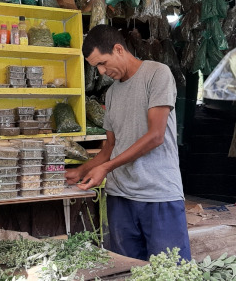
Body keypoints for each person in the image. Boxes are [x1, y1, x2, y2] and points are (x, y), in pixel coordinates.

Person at [65, 24, 191, 261]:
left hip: (158, 194)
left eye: (102, 63)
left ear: (118, 49)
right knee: (126, 269)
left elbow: (156, 136)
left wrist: (107, 168)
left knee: (172, 271)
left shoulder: (157, 74)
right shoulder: (112, 94)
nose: (101, 72)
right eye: (96, 67)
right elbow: (110, 148)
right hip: (120, 197)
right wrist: (81, 171)